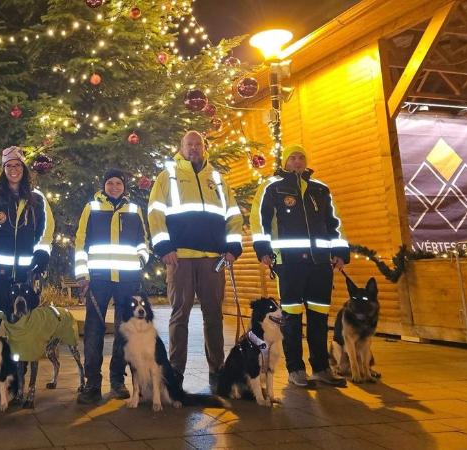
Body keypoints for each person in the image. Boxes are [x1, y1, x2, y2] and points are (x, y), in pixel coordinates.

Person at [147, 130, 243, 392]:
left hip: (213, 259)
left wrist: (233, 246)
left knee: (214, 314)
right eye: (189, 144)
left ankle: (217, 370)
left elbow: (233, 214)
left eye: (197, 144)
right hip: (180, 258)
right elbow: (155, 212)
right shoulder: (168, 176)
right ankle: (176, 372)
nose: (193, 148)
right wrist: (164, 246)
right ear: (181, 147)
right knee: (180, 315)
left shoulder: (217, 179)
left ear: (204, 147)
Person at [250, 144, 349, 388]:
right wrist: (263, 250)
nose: (297, 161)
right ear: (285, 162)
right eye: (292, 158)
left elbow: (334, 223)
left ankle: (321, 368)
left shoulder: (320, 190)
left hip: (320, 264)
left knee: (319, 316)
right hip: (290, 263)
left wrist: (339, 251)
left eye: (301, 157)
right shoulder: (272, 188)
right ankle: (296, 369)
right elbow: (259, 221)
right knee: (292, 318)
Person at [74, 169, 149, 404]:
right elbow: (80, 243)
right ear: (103, 186)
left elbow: (143, 242)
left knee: (123, 331)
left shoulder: (134, 210)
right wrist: (82, 274)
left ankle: (118, 381)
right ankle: (92, 384)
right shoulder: (92, 208)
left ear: (124, 187)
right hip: (98, 279)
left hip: (127, 279)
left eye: (118, 183)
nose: (114, 187)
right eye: (110, 183)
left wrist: (141, 261)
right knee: (94, 331)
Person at [0, 146, 54, 314]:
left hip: (26, 275)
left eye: (17, 165)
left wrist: (41, 255)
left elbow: (45, 230)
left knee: (23, 328)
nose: (13, 169)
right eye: (9, 165)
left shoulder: (37, 199)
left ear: (23, 168)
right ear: (3, 169)